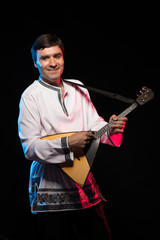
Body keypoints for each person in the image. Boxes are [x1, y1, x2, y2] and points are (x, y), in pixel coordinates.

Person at [18, 34, 127, 240]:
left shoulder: (78, 86)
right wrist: (68, 142)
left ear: (63, 58)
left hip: (81, 177)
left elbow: (94, 124)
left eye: (57, 56)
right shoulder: (30, 96)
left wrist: (109, 129)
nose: (52, 63)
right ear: (35, 62)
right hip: (50, 185)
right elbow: (30, 147)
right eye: (45, 58)